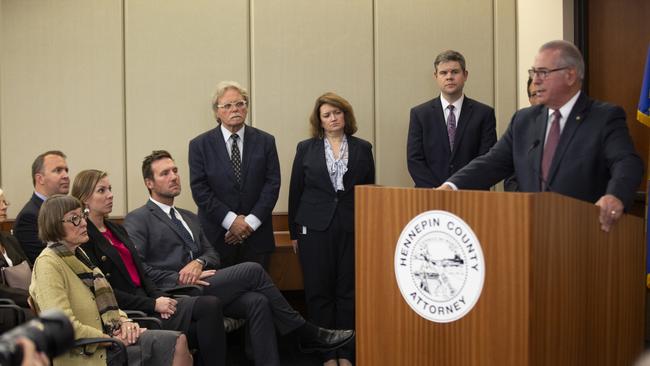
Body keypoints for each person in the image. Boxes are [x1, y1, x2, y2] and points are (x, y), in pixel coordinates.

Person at [124, 150, 354, 366]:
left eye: (175, 170)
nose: (174, 177)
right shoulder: (138, 219)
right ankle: (305, 332)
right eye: (165, 173)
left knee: (257, 301)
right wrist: (181, 278)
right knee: (252, 270)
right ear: (149, 183)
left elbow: (212, 253)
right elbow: (140, 268)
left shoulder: (189, 217)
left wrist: (199, 262)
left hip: (205, 282)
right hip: (178, 292)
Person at [439, 40, 643, 232]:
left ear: (570, 76)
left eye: (543, 73)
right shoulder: (524, 120)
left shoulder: (603, 117)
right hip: (532, 232)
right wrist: (452, 185)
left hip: (583, 234)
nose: (535, 80)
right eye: (533, 72)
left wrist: (615, 196)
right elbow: (492, 162)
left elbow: (627, 162)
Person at [70, 170, 226, 366]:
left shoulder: (116, 229)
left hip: (148, 299)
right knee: (202, 323)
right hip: (130, 312)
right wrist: (153, 305)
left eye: (110, 189)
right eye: (102, 190)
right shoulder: (85, 238)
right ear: (84, 199)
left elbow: (141, 273)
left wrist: (159, 297)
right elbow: (105, 292)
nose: (110, 195)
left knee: (209, 308)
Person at [29, 194, 192, 366]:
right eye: (74, 219)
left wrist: (125, 322)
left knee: (180, 344)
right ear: (55, 224)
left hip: (107, 340)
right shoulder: (48, 264)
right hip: (88, 353)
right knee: (176, 344)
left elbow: (105, 301)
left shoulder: (78, 255)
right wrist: (110, 339)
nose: (84, 223)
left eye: (82, 215)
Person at [288, 92, 375, 366]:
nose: (333, 118)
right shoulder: (306, 148)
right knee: (318, 292)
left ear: (345, 116)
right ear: (320, 121)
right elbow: (295, 192)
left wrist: (369, 228)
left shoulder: (363, 148)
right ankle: (327, 355)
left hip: (351, 226)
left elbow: (368, 191)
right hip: (314, 228)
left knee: (348, 292)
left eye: (337, 113)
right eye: (327, 115)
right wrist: (293, 232)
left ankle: (347, 354)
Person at [189, 81, 280, 270]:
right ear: (217, 112)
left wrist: (247, 225)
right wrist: (231, 222)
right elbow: (200, 190)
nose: (235, 109)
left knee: (259, 296)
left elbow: (272, 185)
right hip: (217, 238)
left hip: (257, 236)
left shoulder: (266, 141)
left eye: (240, 103)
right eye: (227, 105)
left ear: (246, 108)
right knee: (219, 297)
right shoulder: (199, 145)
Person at [407, 50, 497, 188]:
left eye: (455, 72)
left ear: (465, 75)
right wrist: (439, 191)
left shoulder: (484, 114)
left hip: (472, 196)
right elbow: (415, 160)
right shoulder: (420, 114)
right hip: (430, 195)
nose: (449, 77)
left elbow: (487, 159)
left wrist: (456, 188)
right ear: (435, 76)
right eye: (443, 73)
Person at [14, 151, 70, 263]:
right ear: (40, 179)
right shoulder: (28, 217)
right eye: (58, 170)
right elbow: (46, 262)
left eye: (66, 170)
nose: (66, 176)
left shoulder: (67, 210)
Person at [0, 188, 35, 333]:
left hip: (23, 303)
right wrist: (30, 297)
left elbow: (31, 268)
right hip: (6, 307)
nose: (4, 206)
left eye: (4, 201)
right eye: (0, 202)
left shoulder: (9, 239)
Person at [504, 77, 541, 191]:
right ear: (530, 99)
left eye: (541, 92)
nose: (539, 99)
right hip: (524, 202)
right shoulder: (521, 123)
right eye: (534, 94)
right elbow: (510, 178)